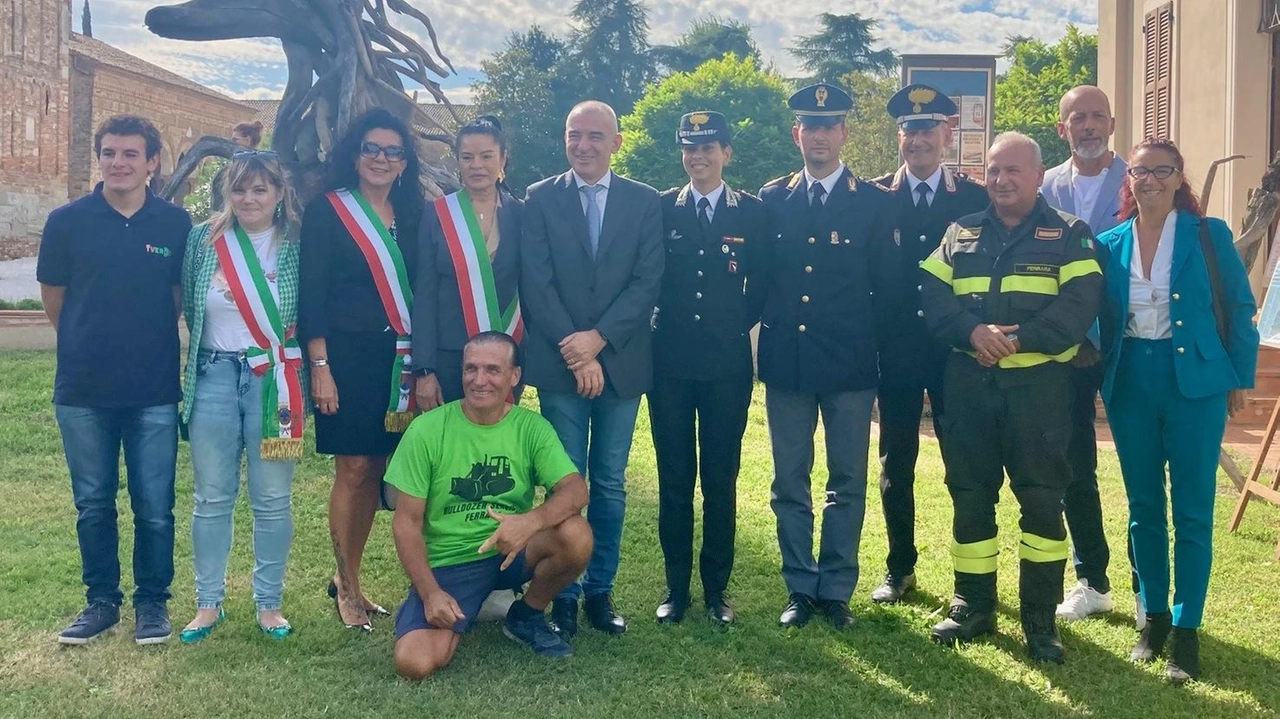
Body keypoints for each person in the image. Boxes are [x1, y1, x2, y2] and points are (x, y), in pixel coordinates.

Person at [920, 132, 1102, 663]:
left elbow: (1078, 308)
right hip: (970, 387)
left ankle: (1040, 620)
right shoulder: (961, 232)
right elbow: (932, 294)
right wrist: (973, 333)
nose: (1001, 181)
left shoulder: (1070, 235)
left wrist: (1016, 340)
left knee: (1043, 500)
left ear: (1039, 175)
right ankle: (972, 605)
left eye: (1013, 171)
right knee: (971, 496)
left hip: (1039, 392)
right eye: (994, 171)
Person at [1096, 138, 1258, 683]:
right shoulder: (1109, 242)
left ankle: (1187, 630)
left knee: (1192, 509)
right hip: (1131, 381)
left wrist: (1240, 376)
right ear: (1130, 180)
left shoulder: (1208, 235)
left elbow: (1239, 306)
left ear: (1178, 177)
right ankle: (1155, 617)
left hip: (1197, 382)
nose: (1151, 180)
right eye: (1141, 172)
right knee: (1143, 505)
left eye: (1162, 171)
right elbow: (1097, 315)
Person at [38, 115, 192, 645]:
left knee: (154, 506)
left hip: (151, 389)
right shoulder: (66, 221)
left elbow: (176, 299)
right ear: (98, 158)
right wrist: (89, 340)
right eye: (108, 153)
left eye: (130, 154)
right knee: (94, 503)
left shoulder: (176, 225)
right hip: (83, 389)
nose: (118, 163)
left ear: (152, 163)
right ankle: (101, 602)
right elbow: (55, 298)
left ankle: (153, 603)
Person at [520, 100, 664, 637]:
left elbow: (648, 281)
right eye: (573, 134)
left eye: (595, 136)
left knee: (608, 482)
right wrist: (574, 349)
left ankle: (600, 592)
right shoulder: (539, 199)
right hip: (560, 368)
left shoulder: (645, 203)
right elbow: (536, 282)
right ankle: (563, 591)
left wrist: (598, 341)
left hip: (622, 364)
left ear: (616, 142)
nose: (583, 145)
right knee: (565, 482)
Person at [757, 83, 897, 630]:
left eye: (828, 125)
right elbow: (760, 279)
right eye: (808, 126)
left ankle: (836, 588)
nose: (818, 134)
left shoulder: (874, 202)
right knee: (790, 481)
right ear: (797, 134)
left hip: (850, 365)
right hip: (788, 363)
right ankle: (800, 585)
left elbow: (887, 290)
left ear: (843, 134)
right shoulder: (771, 200)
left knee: (846, 482)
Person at [389, 332, 592, 679]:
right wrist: (431, 593)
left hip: (512, 549)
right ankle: (449, 605)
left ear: (514, 376)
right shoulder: (426, 430)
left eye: (492, 370)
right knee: (414, 663)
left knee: (576, 534)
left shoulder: (531, 427)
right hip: (451, 562)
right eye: (471, 369)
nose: (479, 380)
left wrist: (531, 521)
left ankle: (525, 615)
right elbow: (406, 523)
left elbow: (575, 490)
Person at [299, 108, 423, 632]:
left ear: (404, 163)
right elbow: (313, 295)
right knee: (352, 470)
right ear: (355, 154)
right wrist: (320, 368)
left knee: (377, 472)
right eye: (372, 148)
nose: (381, 158)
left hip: (401, 363)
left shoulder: (415, 213)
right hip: (345, 362)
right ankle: (347, 587)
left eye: (393, 151)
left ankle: (348, 576)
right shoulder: (328, 211)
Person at [868, 85, 988, 605]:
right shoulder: (875, 198)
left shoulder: (973, 198)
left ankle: (970, 579)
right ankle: (900, 569)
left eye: (928, 130)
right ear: (900, 136)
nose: (918, 140)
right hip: (895, 350)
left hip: (953, 351)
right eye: (910, 131)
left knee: (964, 462)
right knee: (897, 463)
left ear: (948, 133)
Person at [178, 149, 303, 642]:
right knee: (211, 496)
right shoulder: (202, 239)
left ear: (278, 193)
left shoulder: (297, 242)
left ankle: (269, 603)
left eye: (260, 189)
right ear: (226, 191)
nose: (249, 198)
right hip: (211, 376)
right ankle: (208, 603)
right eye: (239, 188)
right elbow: (188, 302)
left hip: (275, 382)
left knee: (272, 497)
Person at [650, 111, 769, 626]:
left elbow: (761, 285)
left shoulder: (752, 212)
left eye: (709, 147)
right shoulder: (660, 210)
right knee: (674, 479)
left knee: (721, 479)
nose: (698, 157)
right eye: (690, 149)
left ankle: (717, 590)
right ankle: (676, 588)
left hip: (726, 367)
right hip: (670, 366)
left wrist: (728, 325)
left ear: (727, 153)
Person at [1040, 85, 1128, 624]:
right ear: (1062, 128)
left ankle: (1149, 588)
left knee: (1145, 465)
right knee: (1075, 465)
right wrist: (1068, 336)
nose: (1089, 125)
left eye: (1098, 116)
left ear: (1112, 124)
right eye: (1079, 117)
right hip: (1066, 351)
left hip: (1128, 344)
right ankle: (1092, 579)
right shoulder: (1045, 184)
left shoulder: (1137, 180)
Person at [413, 115, 523, 408]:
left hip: (505, 354)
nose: (477, 165)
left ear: (502, 159)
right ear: (458, 162)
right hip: (451, 357)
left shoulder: (523, 214)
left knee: (498, 442)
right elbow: (424, 293)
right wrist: (424, 368)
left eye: (487, 156)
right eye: (467, 157)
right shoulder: (437, 214)